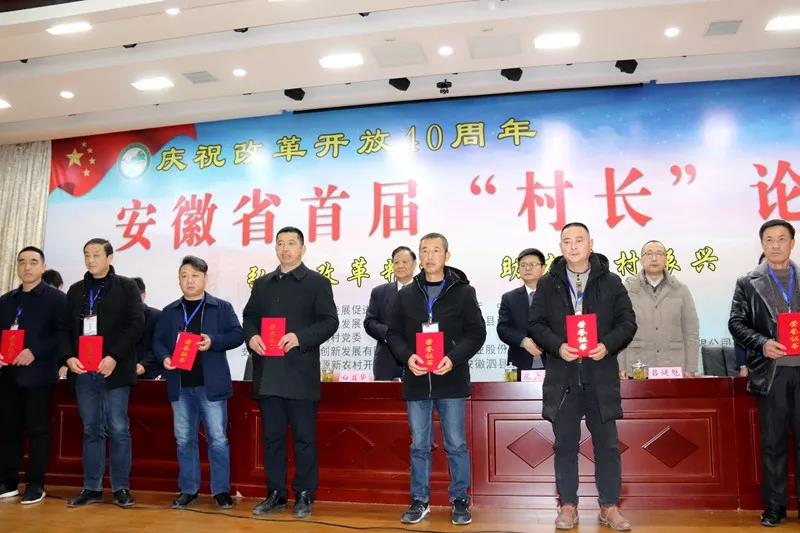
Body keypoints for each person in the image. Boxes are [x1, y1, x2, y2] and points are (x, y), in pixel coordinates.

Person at [528, 222, 636, 531]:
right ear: (560, 247)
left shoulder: (611, 281)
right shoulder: (548, 283)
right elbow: (535, 325)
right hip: (563, 378)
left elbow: (627, 322)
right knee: (565, 444)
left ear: (591, 244)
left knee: (608, 445)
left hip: (600, 375)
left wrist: (607, 345)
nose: (573, 246)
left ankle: (609, 506)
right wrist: (557, 346)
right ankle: (568, 505)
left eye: (579, 240)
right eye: (567, 241)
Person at [387, 232, 486, 526]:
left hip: (450, 379)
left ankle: (459, 500)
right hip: (417, 380)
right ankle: (420, 501)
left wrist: (453, 358)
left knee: (455, 444)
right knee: (419, 445)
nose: (430, 256)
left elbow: (477, 333)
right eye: (425, 251)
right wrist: (407, 357)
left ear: (447, 255)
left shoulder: (463, 292)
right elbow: (393, 334)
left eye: (436, 250)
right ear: (419, 256)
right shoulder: (406, 294)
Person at [243, 227, 338, 518]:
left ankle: (305, 494)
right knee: (272, 438)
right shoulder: (262, 284)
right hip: (268, 374)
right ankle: (275, 493)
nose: (285, 249)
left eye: (291, 243)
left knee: (304, 438)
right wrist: (252, 336)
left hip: (300, 373)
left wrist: (300, 337)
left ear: (302, 249)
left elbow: (330, 321)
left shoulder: (317, 282)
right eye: (280, 243)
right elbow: (249, 317)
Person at [153, 256, 244, 510]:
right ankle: (188, 490)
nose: (189, 280)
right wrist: (165, 357)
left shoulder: (221, 307)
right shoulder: (170, 311)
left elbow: (238, 334)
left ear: (205, 278)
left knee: (218, 439)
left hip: (210, 386)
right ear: (178, 280)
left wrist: (213, 341)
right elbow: (157, 341)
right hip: (180, 386)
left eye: (195, 275)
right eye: (184, 276)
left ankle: (221, 491)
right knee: (184, 439)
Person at [60, 238, 144, 508]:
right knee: (91, 429)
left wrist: (114, 357)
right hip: (83, 370)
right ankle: (92, 487)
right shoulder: (76, 290)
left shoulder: (126, 287)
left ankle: (121, 487)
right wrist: (68, 357)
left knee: (118, 428)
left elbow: (136, 324)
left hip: (114, 370)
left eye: (96, 254)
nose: (90, 260)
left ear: (109, 257)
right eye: (87, 254)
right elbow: (64, 329)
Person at [729, 219, 800, 527]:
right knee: (773, 443)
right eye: (769, 239)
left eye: (781, 238)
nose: (775, 244)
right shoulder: (748, 282)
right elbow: (736, 323)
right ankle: (774, 506)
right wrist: (762, 343)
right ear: (762, 245)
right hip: (772, 373)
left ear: (792, 243)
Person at [0, 246, 66, 504]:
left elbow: (62, 335)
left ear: (43, 266)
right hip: (7, 376)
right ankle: (7, 481)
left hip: (38, 376)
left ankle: (35, 484)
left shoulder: (56, 299)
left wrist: (35, 351)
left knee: (38, 430)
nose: (27, 267)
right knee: (8, 429)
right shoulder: (7, 300)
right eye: (22, 262)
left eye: (33, 262)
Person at [621, 240, 700, 377]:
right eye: (649, 254)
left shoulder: (680, 290)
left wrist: (691, 368)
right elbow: (620, 330)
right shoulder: (627, 289)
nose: (654, 258)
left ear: (666, 259)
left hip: (673, 367)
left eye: (659, 254)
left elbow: (691, 331)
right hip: (637, 366)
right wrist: (620, 366)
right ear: (641, 260)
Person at [364, 245, 417, 380]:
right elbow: (369, 322)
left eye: (404, 262)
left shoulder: (424, 291)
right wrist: (388, 334)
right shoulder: (379, 292)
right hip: (386, 362)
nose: (400, 266)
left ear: (414, 264)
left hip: (417, 359)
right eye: (396, 262)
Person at [497, 248, 546, 376]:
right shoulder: (509, 298)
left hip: (552, 364)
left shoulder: (555, 296)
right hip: (519, 363)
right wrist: (523, 341)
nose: (527, 268)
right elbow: (503, 329)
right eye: (523, 265)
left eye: (532, 264)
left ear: (543, 268)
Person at [132, 277, 162, 380]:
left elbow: (160, 345)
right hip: (124, 374)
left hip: (151, 374)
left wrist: (144, 364)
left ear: (143, 295)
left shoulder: (157, 316)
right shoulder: (118, 319)